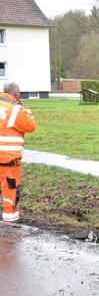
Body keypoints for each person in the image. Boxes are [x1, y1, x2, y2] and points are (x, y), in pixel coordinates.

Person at [0, 81, 36, 222]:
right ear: (16, 93)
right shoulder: (16, 109)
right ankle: (10, 217)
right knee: (10, 187)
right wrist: (25, 109)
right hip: (8, 158)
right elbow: (30, 125)